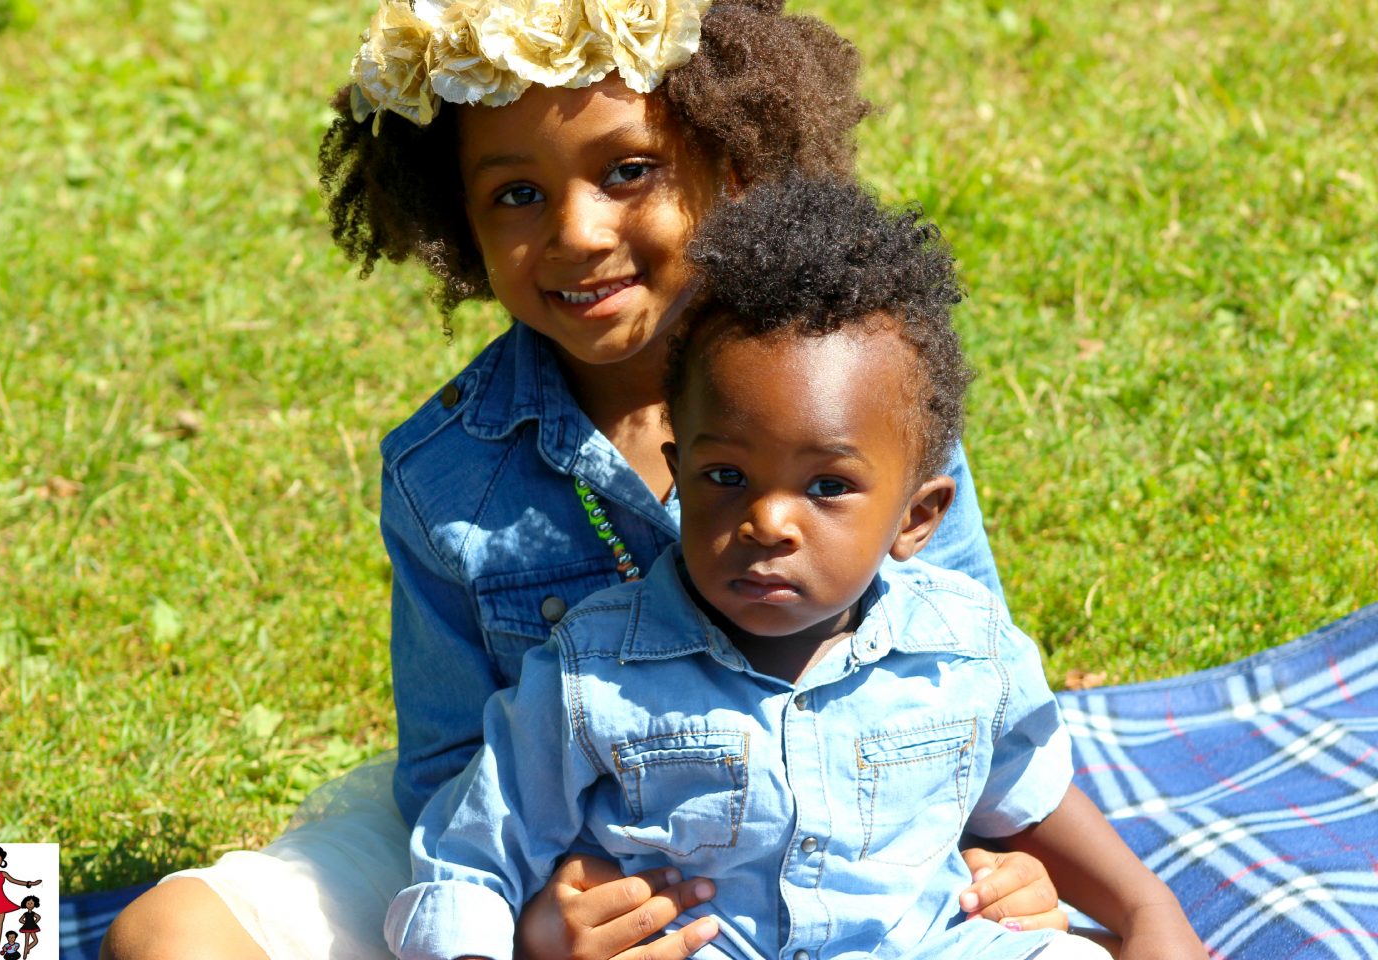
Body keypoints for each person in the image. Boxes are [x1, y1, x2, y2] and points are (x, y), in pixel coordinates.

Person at [102, 2, 1068, 957]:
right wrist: (533, 923)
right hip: (525, 858)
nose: (576, 231)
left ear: (730, 166)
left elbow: (964, 681)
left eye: (629, 171)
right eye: (516, 195)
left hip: (843, 858)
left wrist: (1000, 854)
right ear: (458, 216)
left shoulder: (860, 406)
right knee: (165, 933)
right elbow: (448, 773)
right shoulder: (444, 475)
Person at [387, 177, 1204, 960]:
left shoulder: (962, 648)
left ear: (917, 518)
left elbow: (1027, 795)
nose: (769, 520)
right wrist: (523, 939)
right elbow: (471, 857)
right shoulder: (590, 679)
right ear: (681, 471)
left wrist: (1145, 911)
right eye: (727, 478)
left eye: (827, 486)